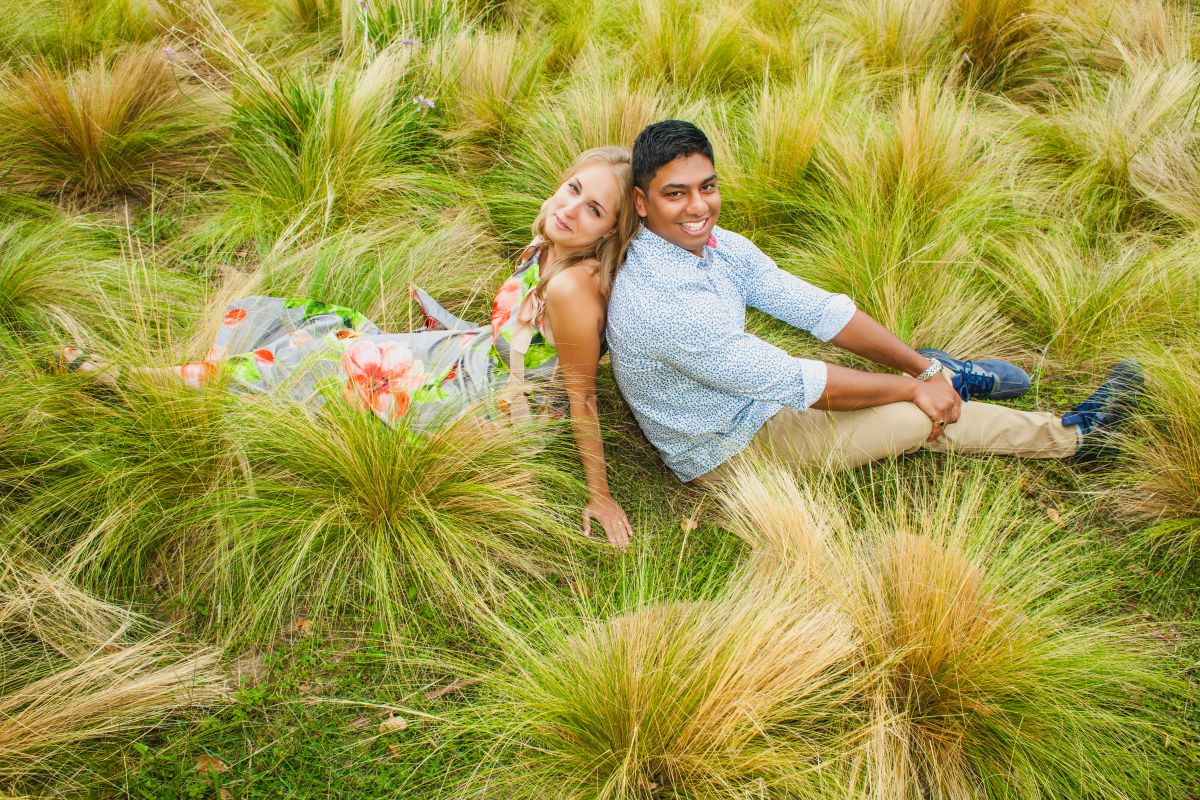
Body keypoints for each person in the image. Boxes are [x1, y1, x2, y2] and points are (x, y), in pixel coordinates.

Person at [63, 146, 641, 546]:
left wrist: (601, 494)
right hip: (476, 360)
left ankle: (140, 381)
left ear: (610, 232)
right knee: (333, 328)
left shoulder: (572, 286)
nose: (570, 209)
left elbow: (581, 397)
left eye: (594, 209)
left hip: (496, 409)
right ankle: (203, 374)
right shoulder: (551, 244)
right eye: (572, 189)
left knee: (319, 362)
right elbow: (521, 335)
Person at [605, 120, 1144, 485]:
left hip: (758, 400)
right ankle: (1074, 438)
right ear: (642, 202)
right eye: (676, 193)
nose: (699, 206)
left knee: (918, 391)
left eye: (708, 186)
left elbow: (816, 309)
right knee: (918, 418)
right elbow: (801, 383)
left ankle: (944, 370)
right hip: (727, 449)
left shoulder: (717, 246)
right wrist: (915, 389)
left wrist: (920, 367)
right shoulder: (659, 303)